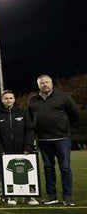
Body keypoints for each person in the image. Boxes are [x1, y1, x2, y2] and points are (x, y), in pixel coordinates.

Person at [28, 75, 79, 206]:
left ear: (52, 83)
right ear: (38, 85)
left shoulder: (63, 97)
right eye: (42, 83)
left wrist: (64, 127)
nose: (45, 84)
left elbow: (75, 114)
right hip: (43, 140)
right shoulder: (32, 100)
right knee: (48, 168)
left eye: (47, 82)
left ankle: (67, 197)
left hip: (62, 139)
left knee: (65, 168)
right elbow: (30, 118)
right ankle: (52, 196)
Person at [0, 90, 37, 206]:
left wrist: (28, 147)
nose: (8, 100)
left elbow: (30, 131)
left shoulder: (23, 113)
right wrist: (0, 149)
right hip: (6, 151)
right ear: (2, 100)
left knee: (25, 172)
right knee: (9, 173)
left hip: (22, 150)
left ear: (14, 99)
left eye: (11, 98)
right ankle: (11, 196)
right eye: (6, 98)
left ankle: (28, 196)